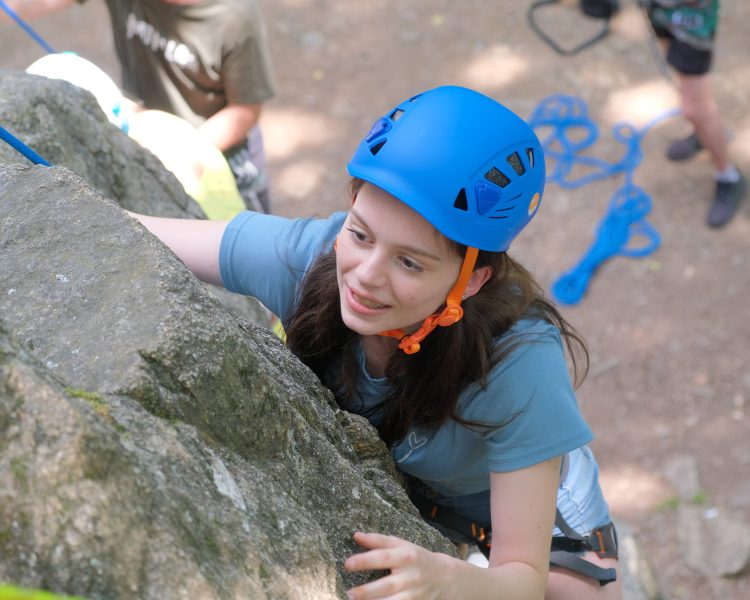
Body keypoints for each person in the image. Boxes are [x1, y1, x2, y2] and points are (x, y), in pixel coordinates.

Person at [127, 86, 621, 599]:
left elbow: (522, 576)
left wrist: (450, 579)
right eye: (361, 234)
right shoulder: (315, 256)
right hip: (426, 492)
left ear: (472, 281)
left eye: (409, 261)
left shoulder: (517, 363)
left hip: (533, 508)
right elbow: (134, 234)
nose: (364, 276)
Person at [3, 0, 277, 213]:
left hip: (217, 149)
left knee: (240, 234)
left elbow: (246, 110)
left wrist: (186, 149)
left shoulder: (233, 17)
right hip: (146, 132)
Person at [645, 0, 745, 227]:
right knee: (674, 65)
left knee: (694, 109)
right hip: (658, 7)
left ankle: (728, 176)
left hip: (692, 13)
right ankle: (703, 135)